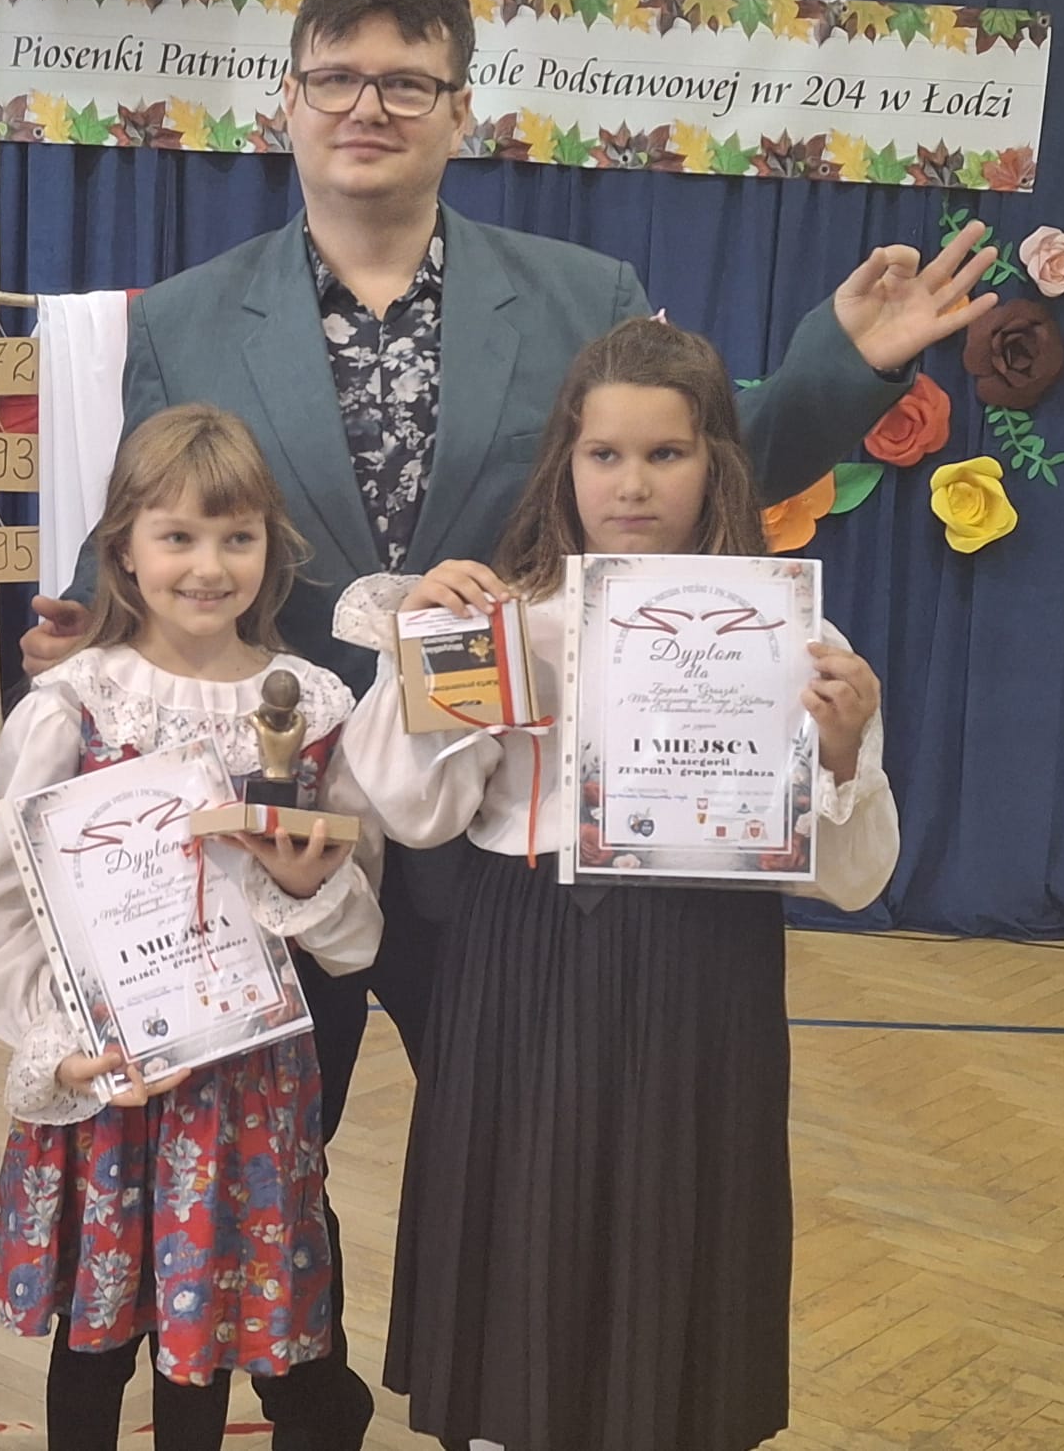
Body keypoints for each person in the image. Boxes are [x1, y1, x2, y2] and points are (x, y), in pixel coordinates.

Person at [17, 0, 990, 1431]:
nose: (369, 106)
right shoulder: (191, 316)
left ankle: (544, 1387)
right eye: (339, 77)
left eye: (407, 82)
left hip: (496, 843)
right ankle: (312, 1391)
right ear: (288, 99)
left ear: (461, 109)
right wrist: (91, 637)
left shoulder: (585, 292)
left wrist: (839, 371)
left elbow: (677, 471)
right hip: (280, 824)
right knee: (259, 1136)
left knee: (524, 1143)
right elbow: (170, 530)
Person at [336, 316, 901, 1450]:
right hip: (524, 945)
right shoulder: (502, 616)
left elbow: (850, 880)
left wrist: (841, 752)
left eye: (665, 453)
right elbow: (414, 810)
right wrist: (432, 656)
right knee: (524, 1205)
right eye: (605, 454)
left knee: (680, 1205)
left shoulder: (785, 635)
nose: (632, 484)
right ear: (567, 462)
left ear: (715, 463)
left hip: (703, 959)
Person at [0, 406, 385, 1451]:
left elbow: (357, 927)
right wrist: (60, 1050)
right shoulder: (72, 705)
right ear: (124, 550)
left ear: (270, 548)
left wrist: (305, 889)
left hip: (248, 1080)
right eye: (179, 536)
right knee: (95, 1335)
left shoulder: (315, 708)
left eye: (237, 537)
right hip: (116, 1075)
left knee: (203, 1331)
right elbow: (7, 908)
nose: (208, 566)